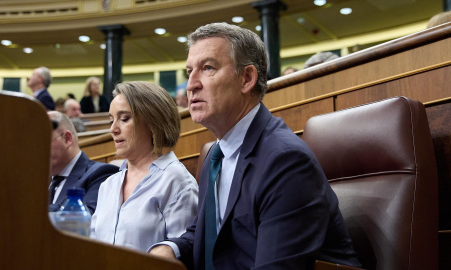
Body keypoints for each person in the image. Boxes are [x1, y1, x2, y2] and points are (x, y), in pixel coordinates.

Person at [149, 22, 361, 269]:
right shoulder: (215, 156)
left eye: (207, 68)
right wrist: (170, 248)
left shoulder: (285, 161)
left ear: (247, 78)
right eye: (189, 72)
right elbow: (210, 233)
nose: (191, 84)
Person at [90, 81, 198, 252]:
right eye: (111, 120)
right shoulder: (108, 185)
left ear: (153, 121)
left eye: (124, 119)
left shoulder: (177, 181)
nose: (113, 129)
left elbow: (184, 255)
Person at [48, 111, 119, 214]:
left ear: (67, 139)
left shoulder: (101, 174)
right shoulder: (37, 179)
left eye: (43, 141)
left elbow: (84, 217)